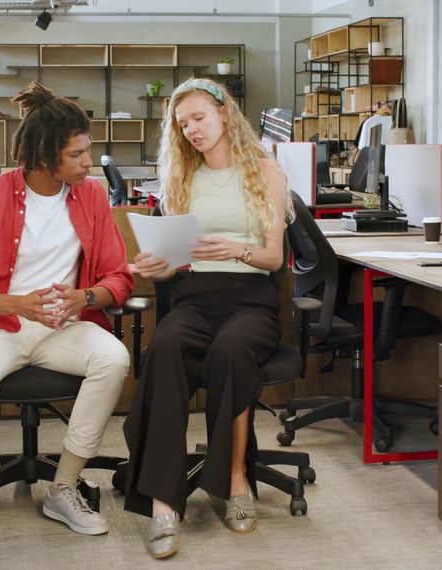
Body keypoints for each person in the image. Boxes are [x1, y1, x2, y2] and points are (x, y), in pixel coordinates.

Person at [0, 81, 134, 535]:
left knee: (113, 358)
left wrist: (83, 297)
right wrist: (18, 303)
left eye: (89, 151)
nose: (89, 163)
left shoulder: (93, 197)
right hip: (1, 327)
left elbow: (118, 278)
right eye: (77, 155)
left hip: (66, 327)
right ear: (45, 157)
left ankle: (63, 487)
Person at [122, 77, 292, 559]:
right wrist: (158, 265)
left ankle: (236, 481)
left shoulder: (264, 172)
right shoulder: (181, 177)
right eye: (183, 124)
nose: (192, 130)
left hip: (251, 299)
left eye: (199, 118)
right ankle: (161, 504)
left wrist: (237, 249)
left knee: (232, 351)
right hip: (194, 298)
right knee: (164, 349)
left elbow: (275, 258)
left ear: (223, 114)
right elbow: (175, 258)